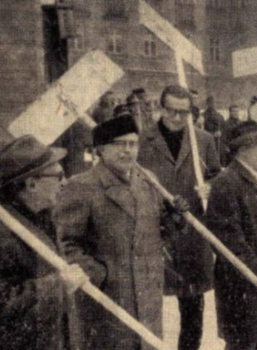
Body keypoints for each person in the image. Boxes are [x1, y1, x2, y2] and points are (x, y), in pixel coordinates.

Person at [54, 115, 190, 350]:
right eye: (119, 144)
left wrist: (174, 219)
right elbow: (64, 244)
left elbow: (155, 234)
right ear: (101, 150)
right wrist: (99, 275)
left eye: (133, 144)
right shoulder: (82, 186)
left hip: (147, 297)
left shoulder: (147, 181)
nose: (128, 151)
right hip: (110, 300)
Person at [137, 85, 221, 350]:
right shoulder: (142, 140)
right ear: (160, 108)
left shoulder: (203, 140)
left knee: (193, 308)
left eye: (183, 112)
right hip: (154, 233)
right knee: (150, 305)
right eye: (171, 110)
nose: (176, 117)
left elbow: (217, 174)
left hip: (192, 233)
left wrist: (211, 187)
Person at [205, 120, 257, 350]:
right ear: (244, 149)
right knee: (243, 344)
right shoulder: (227, 182)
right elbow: (227, 240)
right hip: (242, 283)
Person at [0, 135, 88, 350]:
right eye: (58, 175)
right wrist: (58, 284)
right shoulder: (5, 233)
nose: (64, 182)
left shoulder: (43, 217)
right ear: (31, 184)